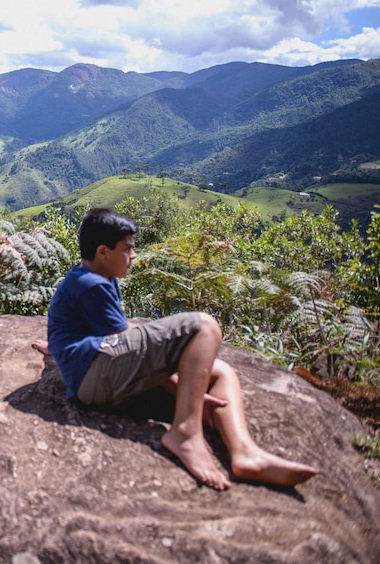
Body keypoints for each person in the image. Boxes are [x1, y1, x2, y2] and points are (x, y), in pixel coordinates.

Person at [31, 208, 318, 490]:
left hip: (98, 379)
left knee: (220, 375)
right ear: (103, 251)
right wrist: (180, 385)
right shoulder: (90, 284)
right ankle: (185, 433)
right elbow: (134, 350)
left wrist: (56, 348)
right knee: (205, 327)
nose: (134, 256)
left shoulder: (93, 277)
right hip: (96, 375)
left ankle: (245, 453)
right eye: (127, 249)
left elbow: (72, 327)